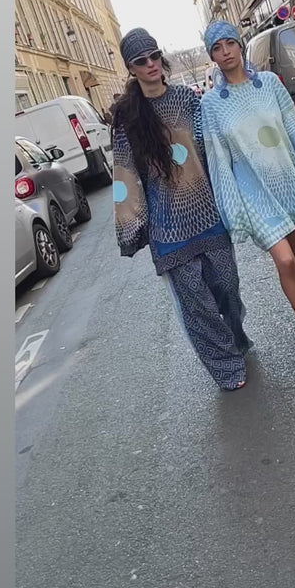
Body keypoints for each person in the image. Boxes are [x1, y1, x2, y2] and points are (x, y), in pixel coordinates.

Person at [112, 27, 251, 391]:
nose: (151, 64)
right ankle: (225, 365)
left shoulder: (188, 99)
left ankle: (235, 337)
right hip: (168, 228)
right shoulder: (127, 118)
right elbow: (124, 174)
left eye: (155, 56)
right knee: (198, 306)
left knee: (228, 289)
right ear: (131, 68)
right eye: (141, 61)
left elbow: (212, 147)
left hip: (208, 213)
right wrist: (131, 225)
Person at [200, 21, 295, 373]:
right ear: (212, 56)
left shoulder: (271, 84)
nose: (225, 52)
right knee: (286, 261)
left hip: (286, 180)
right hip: (253, 194)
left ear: (240, 45)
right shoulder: (212, 104)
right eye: (217, 48)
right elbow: (218, 159)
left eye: (230, 43)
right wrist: (232, 209)